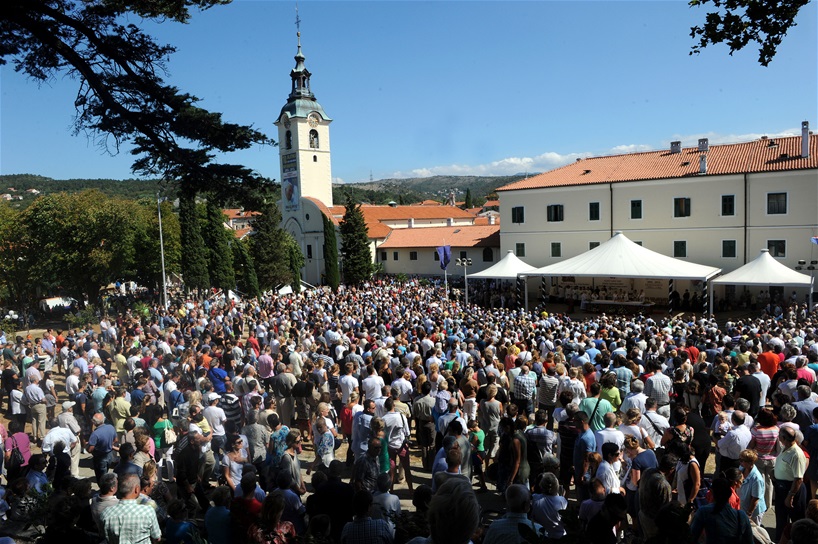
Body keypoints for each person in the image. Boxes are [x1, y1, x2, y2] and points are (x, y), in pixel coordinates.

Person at [101, 473, 161, 544]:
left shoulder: (106, 514)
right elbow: (157, 537)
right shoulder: (148, 511)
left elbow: (104, 536)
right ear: (137, 489)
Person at [690, 478, 754, 544]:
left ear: (712, 492)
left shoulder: (704, 512)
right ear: (730, 494)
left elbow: (691, 538)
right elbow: (750, 541)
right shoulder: (741, 516)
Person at [773, 425, 808, 541]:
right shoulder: (785, 447)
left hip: (792, 489)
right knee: (781, 518)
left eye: (779, 436)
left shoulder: (796, 454)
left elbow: (798, 478)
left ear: (783, 438)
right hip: (781, 488)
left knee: (797, 520)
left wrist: (790, 496)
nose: (778, 438)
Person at [530, 472, 568, 540]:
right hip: (559, 536)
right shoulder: (562, 500)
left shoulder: (534, 498)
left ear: (541, 485)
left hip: (541, 535)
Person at [737, 448, 766, 525]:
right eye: (740, 459)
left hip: (753, 512)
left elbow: (755, 499)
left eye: (742, 460)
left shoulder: (757, 479)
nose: (740, 462)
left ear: (750, 462)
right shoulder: (742, 468)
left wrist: (749, 514)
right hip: (743, 507)